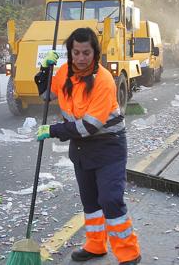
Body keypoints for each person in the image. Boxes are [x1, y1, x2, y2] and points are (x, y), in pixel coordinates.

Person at [34, 28, 141, 264]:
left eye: (86, 53)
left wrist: (53, 130)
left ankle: (129, 253)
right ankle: (95, 245)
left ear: (95, 53)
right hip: (81, 149)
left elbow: (89, 127)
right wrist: (45, 68)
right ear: (70, 53)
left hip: (108, 147)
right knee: (90, 201)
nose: (81, 58)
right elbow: (45, 95)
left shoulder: (103, 81)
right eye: (76, 53)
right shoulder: (64, 72)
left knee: (110, 199)